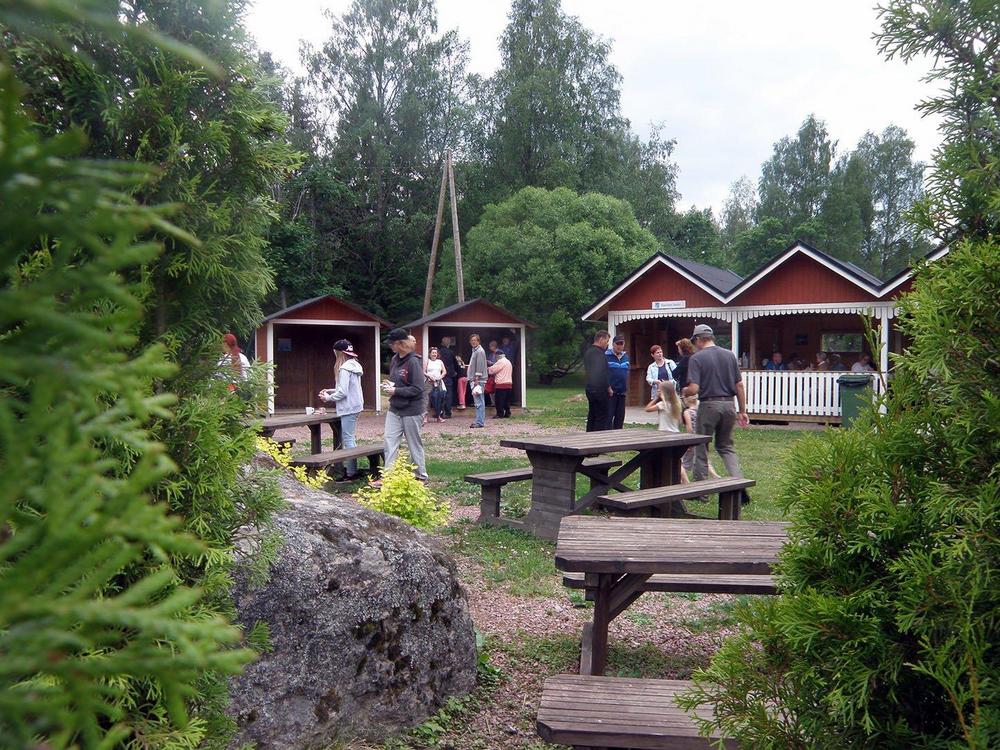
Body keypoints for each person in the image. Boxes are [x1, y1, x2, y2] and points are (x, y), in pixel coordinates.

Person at [685, 324, 749, 483]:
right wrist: (742, 411)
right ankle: (738, 484)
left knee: (701, 446)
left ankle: (701, 490)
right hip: (729, 405)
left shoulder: (697, 358)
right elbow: (739, 385)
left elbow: (694, 389)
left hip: (708, 405)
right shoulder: (729, 355)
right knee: (726, 447)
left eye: (694, 342)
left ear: (698, 339)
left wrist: (684, 391)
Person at [380, 328, 428, 482]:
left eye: (392, 343)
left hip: (412, 410)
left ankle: (421, 476)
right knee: (390, 442)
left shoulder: (413, 361)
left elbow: (418, 388)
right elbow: (398, 380)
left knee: (414, 444)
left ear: (401, 343)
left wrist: (396, 390)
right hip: (395, 408)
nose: (390, 346)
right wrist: (390, 385)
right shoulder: (395, 359)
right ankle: (389, 477)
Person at [318, 339, 364, 479]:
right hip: (356, 405)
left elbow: (343, 392)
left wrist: (328, 398)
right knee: (350, 437)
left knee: (348, 439)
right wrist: (330, 391)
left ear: (339, 353)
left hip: (348, 407)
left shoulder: (344, 368)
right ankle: (351, 470)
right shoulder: (355, 365)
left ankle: (351, 473)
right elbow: (346, 387)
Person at [680, 393, 720, 484]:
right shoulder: (700, 410)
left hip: (692, 440)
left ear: (686, 400)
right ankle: (715, 475)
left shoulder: (687, 412)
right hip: (701, 438)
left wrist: (689, 441)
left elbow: (689, 428)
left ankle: (684, 481)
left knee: (684, 462)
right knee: (703, 458)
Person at [584, 331, 612, 431]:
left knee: (592, 414)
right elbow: (600, 372)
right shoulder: (598, 353)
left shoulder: (589, 352)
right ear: (601, 339)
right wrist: (608, 387)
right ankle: (598, 437)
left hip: (590, 388)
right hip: (599, 390)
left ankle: (589, 434)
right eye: (607, 341)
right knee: (602, 417)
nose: (607, 344)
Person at [605, 335, 630, 430]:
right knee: (608, 417)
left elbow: (626, 373)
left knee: (620, 418)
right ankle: (607, 436)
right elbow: (603, 373)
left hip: (622, 392)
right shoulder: (606, 356)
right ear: (613, 344)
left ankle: (618, 437)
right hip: (610, 392)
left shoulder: (625, 357)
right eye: (618, 344)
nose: (620, 346)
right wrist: (608, 387)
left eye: (621, 344)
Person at [467, 333, 487, 428]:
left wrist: (476, 379)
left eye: (475, 340)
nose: (473, 342)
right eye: (472, 340)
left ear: (478, 341)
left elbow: (480, 365)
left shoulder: (479, 351)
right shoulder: (475, 351)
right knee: (478, 401)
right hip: (476, 379)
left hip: (478, 380)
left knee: (479, 402)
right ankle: (479, 420)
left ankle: (479, 422)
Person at [424, 346, 448, 423]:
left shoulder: (440, 362)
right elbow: (423, 371)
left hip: (438, 382)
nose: (434, 354)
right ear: (430, 354)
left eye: (435, 353)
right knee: (426, 399)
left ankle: (438, 416)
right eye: (433, 353)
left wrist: (440, 377)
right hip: (429, 382)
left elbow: (444, 371)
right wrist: (429, 376)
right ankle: (425, 417)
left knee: (439, 399)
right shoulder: (427, 361)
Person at [488, 350, 513, 418]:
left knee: (499, 401)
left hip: (501, 384)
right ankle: (507, 413)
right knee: (506, 401)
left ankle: (500, 414)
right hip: (509, 384)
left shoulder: (500, 362)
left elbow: (492, 370)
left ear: (497, 356)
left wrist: (487, 368)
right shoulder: (508, 361)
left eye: (495, 356)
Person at [436, 338, 457, 418]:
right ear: (449, 344)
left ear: (442, 343)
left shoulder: (438, 352)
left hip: (439, 375)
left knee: (439, 394)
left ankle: (439, 412)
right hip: (448, 376)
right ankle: (448, 413)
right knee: (448, 394)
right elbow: (455, 364)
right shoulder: (451, 352)